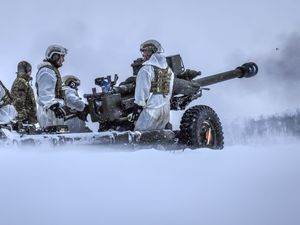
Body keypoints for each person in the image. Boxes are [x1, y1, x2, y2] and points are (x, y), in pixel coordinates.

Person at [132, 39, 174, 131]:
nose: (144, 54)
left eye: (146, 51)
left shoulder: (146, 70)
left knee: (141, 141)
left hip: (150, 114)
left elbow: (141, 95)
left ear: (152, 52)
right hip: (164, 113)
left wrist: (137, 112)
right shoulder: (169, 70)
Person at [36, 44, 68, 128]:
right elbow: (44, 93)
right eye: (62, 57)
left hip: (53, 111)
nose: (63, 60)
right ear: (54, 56)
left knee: (60, 137)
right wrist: (54, 107)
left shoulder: (51, 70)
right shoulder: (46, 71)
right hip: (49, 112)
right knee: (54, 138)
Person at [11, 61, 37, 126]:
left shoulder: (24, 82)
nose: (31, 72)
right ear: (24, 70)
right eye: (29, 69)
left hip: (28, 120)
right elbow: (18, 101)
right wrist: (23, 118)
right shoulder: (21, 82)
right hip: (24, 121)